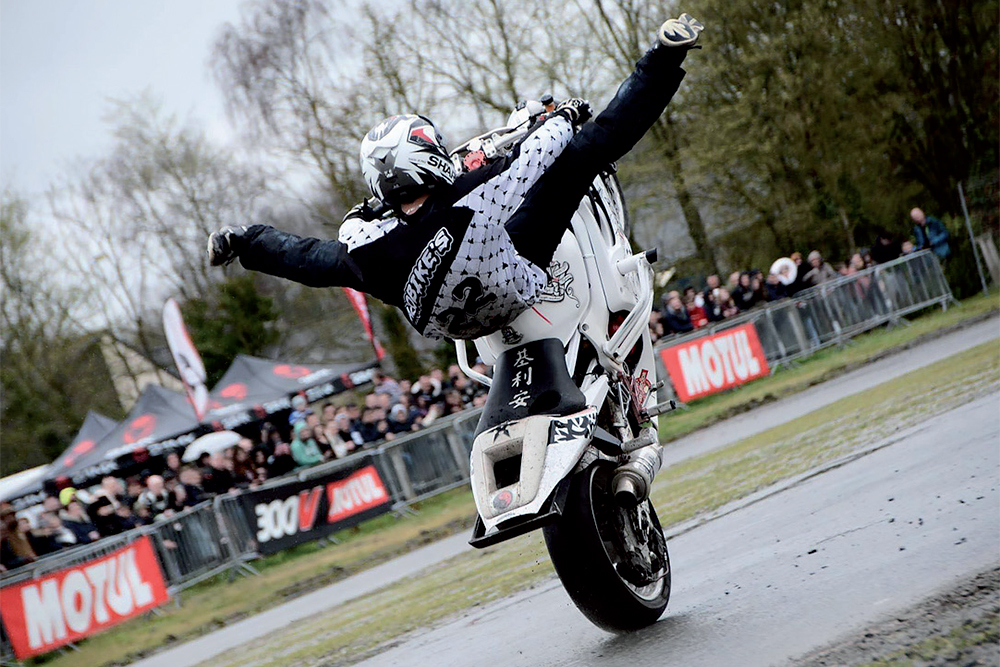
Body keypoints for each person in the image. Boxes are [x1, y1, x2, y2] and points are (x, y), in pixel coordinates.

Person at [206, 15, 704, 341]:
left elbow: (303, 258)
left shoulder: (366, 250)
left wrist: (244, 242)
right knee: (586, 154)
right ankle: (663, 58)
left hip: (458, 329)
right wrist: (563, 117)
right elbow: (534, 156)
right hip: (521, 278)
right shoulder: (473, 194)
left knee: (328, 261)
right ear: (423, 154)